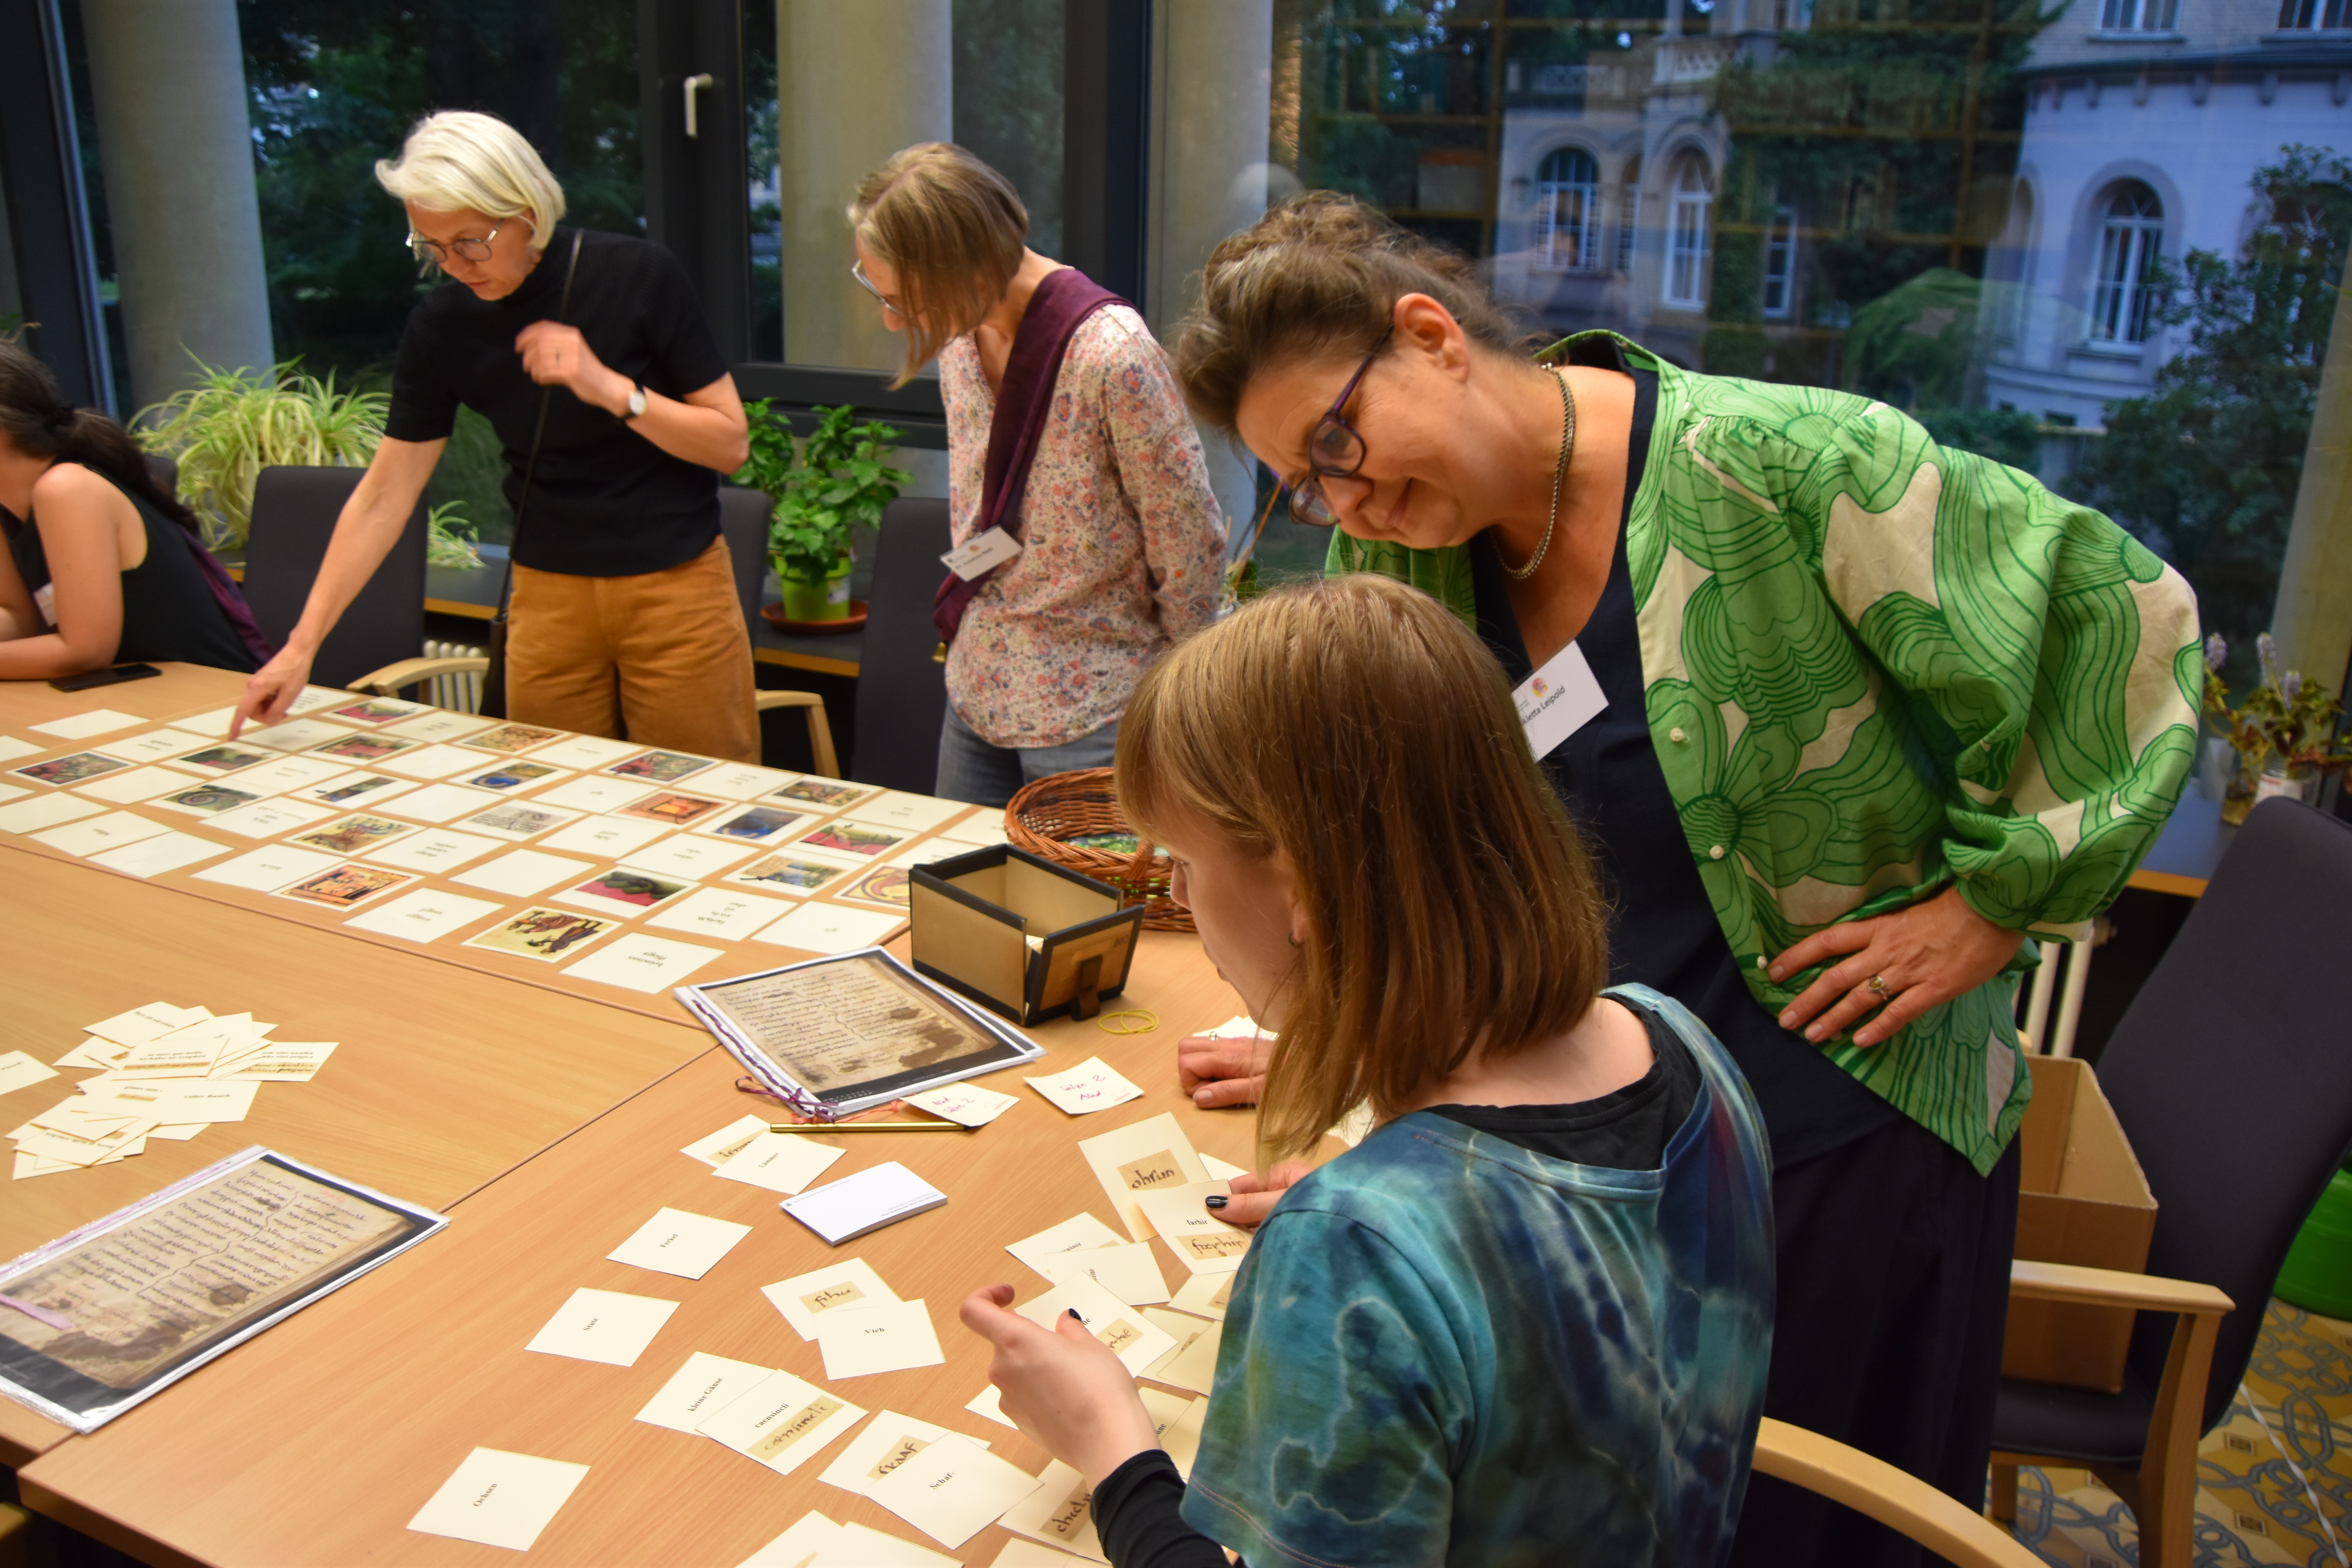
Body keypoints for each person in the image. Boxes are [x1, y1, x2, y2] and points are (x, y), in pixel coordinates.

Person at [1164, 193, 2202, 1566]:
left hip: (1843, 1129)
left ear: (1430, 336)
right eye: (1304, 485)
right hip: (1589, 1128)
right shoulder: (1396, 551)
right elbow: (1406, 837)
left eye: (1338, 446)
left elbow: (2124, 622)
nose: (1341, 499)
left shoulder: (1789, 468)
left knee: (1816, 1528)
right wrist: (1348, 1039)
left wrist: (1995, 906)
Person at [960, 573, 1776, 1566]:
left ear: (1299, 882)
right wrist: (1406, 1209)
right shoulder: (1682, 1039)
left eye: (1180, 858)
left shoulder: (1350, 1251)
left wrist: (1110, 1448)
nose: (1173, 892)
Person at [234, 110, 757, 759]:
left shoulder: (638, 275)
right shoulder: (442, 326)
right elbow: (384, 496)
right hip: (546, 599)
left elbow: (730, 443)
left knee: (701, 800)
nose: (455, 265)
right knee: (548, 800)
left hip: (676, 589)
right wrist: (300, 647)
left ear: (526, 212)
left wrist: (608, 387)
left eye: (470, 242)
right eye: (431, 246)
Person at [847, 143, 1223, 808]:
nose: (892, 320)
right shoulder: (961, 340)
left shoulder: (1113, 355)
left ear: (963, 268)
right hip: (978, 686)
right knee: (963, 903)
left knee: (1088, 910)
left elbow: (1188, 539)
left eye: (905, 300)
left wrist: (1182, 701)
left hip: (1096, 709)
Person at [0, 343, 272, 679]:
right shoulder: (8, 503)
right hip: (123, 699)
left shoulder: (67, 488)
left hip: (210, 699)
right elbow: (21, 618)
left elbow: (85, 652)